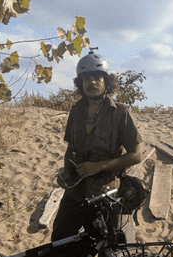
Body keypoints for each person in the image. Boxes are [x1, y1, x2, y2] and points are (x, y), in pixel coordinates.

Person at [51, 50, 144, 243]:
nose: (91, 83)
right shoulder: (76, 112)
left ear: (106, 82)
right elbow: (70, 149)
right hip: (75, 192)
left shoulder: (120, 113)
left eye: (97, 78)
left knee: (108, 249)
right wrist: (66, 173)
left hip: (105, 193)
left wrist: (100, 166)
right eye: (86, 79)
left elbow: (136, 155)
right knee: (60, 242)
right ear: (80, 83)